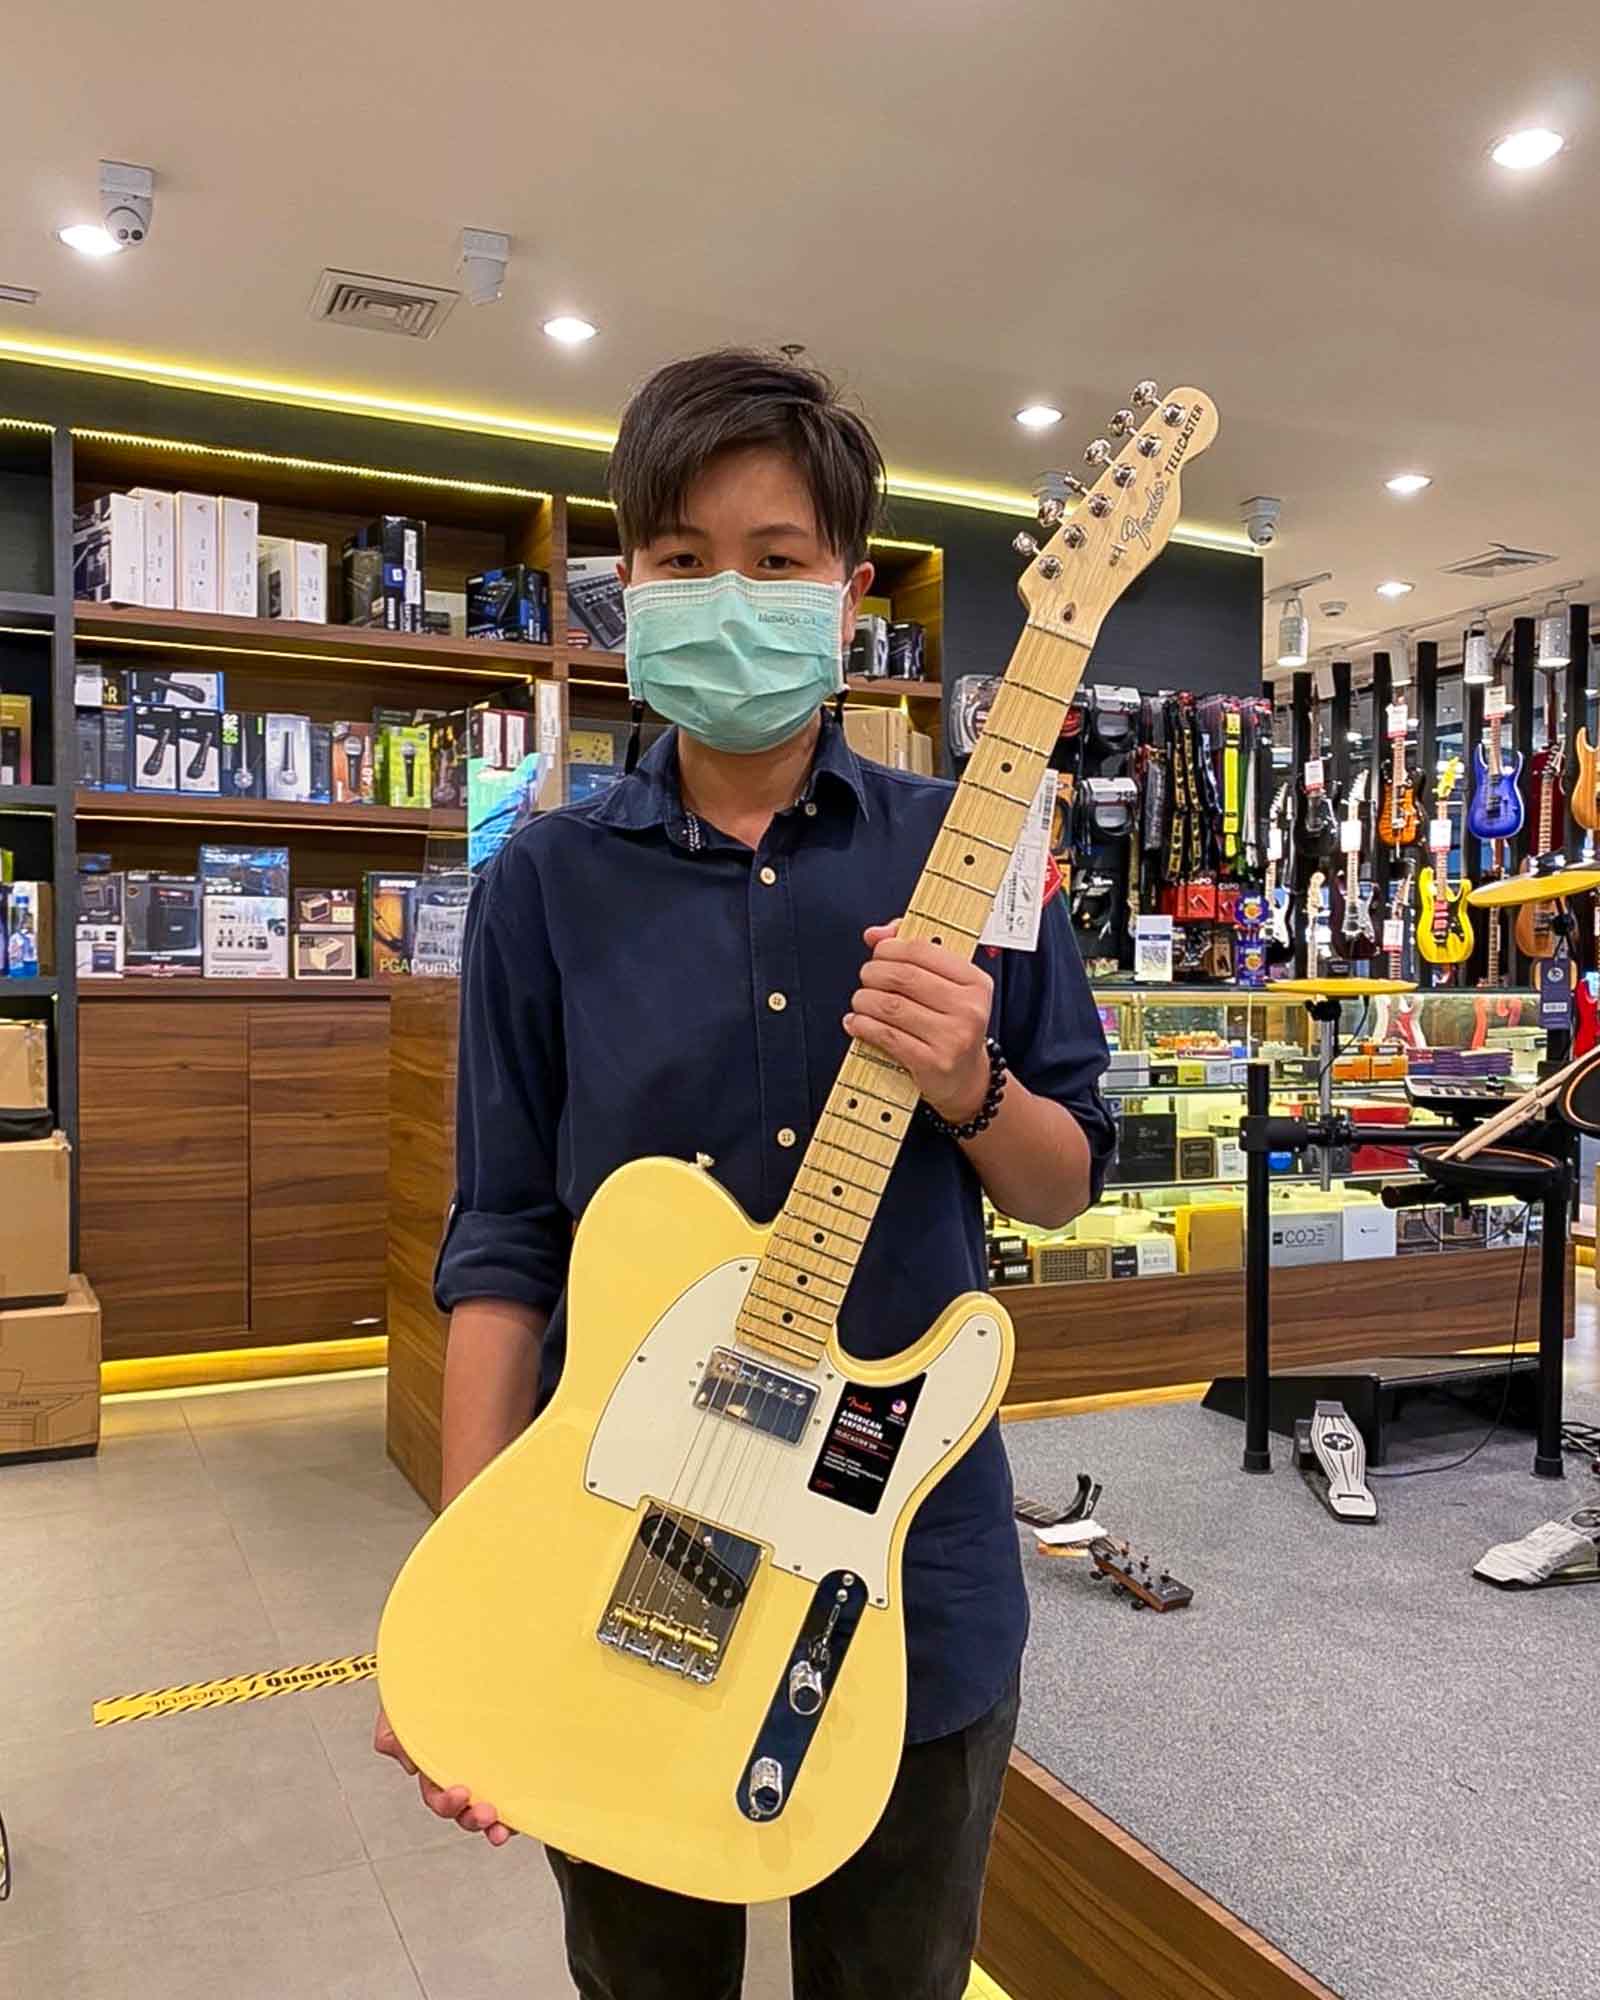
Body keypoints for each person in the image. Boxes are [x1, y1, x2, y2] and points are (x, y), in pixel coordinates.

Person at [375, 348, 1115, 1999]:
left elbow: (1063, 1182)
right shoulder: (546, 881)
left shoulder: (971, 850)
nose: (729, 594)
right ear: (627, 587)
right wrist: (464, 1598)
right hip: (621, 1531)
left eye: (776, 559)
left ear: (848, 597)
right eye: (682, 557)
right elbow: (504, 1243)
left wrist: (972, 1084)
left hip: (902, 1563)